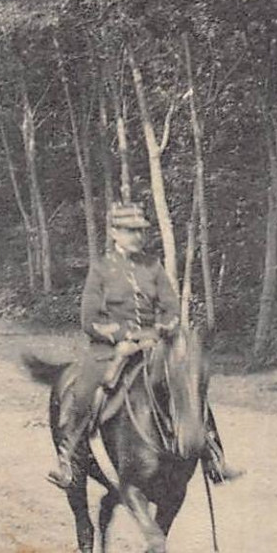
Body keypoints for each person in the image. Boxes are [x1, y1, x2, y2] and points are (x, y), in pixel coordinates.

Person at [46, 201, 239, 489]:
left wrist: (164, 328)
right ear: (114, 233)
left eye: (140, 231)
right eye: (129, 231)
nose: (136, 236)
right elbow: (90, 319)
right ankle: (69, 459)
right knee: (84, 387)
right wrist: (124, 337)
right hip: (111, 348)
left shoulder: (153, 266)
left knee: (188, 383)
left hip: (154, 344)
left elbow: (171, 307)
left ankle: (214, 455)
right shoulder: (101, 269)